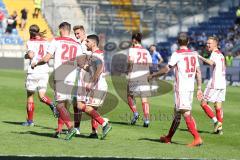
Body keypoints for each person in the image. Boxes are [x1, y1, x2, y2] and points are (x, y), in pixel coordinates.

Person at [149, 32, 203, 147]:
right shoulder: (194, 54)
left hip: (181, 88)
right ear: (188, 42)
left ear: (178, 43)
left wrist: (154, 75)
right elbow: (198, 72)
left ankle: (197, 138)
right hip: (190, 87)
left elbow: (166, 69)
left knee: (185, 112)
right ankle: (168, 137)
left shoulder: (177, 54)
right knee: (177, 113)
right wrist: (199, 88)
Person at [32, 22, 83, 140]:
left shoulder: (56, 41)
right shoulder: (76, 44)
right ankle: (59, 130)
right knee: (65, 106)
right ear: (69, 31)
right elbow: (80, 62)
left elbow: (45, 59)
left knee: (60, 105)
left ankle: (70, 128)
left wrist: (36, 63)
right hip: (72, 77)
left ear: (61, 29)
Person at [76, 34, 112, 139]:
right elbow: (92, 68)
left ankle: (104, 123)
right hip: (99, 85)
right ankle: (94, 133)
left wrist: (91, 83)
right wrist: (83, 66)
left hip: (97, 85)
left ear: (93, 43)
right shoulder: (95, 54)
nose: (85, 43)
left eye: (87, 41)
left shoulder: (97, 55)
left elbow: (99, 69)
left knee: (80, 106)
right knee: (92, 109)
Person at [22, 24, 58, 126]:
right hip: (45, 71)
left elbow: (30, 55)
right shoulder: (46, 42)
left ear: (30, 32)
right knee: (42, 96)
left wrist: (27, 56)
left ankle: (30, 121)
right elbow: (49, 56)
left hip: (34, 71)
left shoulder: (30, 42)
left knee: (30, 96)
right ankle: (52, 104)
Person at [198, 36, 226, 135]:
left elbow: (210, 62)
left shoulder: (214, 53)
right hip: (222, 83)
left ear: (215, 44)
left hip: (215, 83)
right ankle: (219, 129)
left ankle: (216, 122)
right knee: (218, 106)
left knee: (203, 103)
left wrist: (199, 56)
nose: (207, 45)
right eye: (207, 43)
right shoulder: (221, 55)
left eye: (209, 43)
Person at [127, 32, 152, 127]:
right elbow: (149, 64)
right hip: (144, 76)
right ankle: (146, 120)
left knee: (129, 95)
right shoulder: (146, 51)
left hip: (134, 75)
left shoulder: (132, 50)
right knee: (144, 99)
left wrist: (129, 73)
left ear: (134, 40)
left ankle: (135, 113)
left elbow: (130, 62)